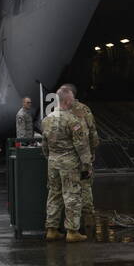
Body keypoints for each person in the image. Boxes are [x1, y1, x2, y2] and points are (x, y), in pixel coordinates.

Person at [41, 84, 92, 243]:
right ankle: (72, 231)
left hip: (53, 162)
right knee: (72, 195)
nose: (72, 103)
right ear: (67, 100)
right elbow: (81, 145)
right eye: (71, 100)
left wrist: (49, 157)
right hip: (69, 163)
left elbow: (44, 145)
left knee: (54, 194)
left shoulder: (47, 119)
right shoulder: (72, 120)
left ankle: (51, 229)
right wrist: (86, 165)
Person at [63, 84, 101, 233]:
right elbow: (93, 133)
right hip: (84, 156)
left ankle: (70, 226)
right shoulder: (85, 110)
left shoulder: (60, 110)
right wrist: (92, 151)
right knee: (85, 188)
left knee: (67, 191)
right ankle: (88, 223)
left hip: (67, 157)